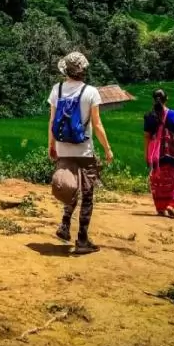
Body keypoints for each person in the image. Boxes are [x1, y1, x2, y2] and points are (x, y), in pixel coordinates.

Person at [47, 51, 113, 255]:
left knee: (69, 187)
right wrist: (107, 149)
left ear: (65, 70)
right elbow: (97, 124)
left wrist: (51, 145)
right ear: (83, 71)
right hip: (84, 151)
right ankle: (82, 240)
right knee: (87, 194)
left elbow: (51, 122)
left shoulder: (56, 90)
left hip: (63, 148)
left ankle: (65, 226)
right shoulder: (91, 91)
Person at [144, 88, 174, 218]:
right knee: (172, 179)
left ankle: (160, 208)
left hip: (155, 154)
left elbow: (147, 137)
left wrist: (146, 154)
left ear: (154, 99)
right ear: (167, 98)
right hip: (171, 152)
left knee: (157, 180)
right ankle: (171, 204)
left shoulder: (149, 116)